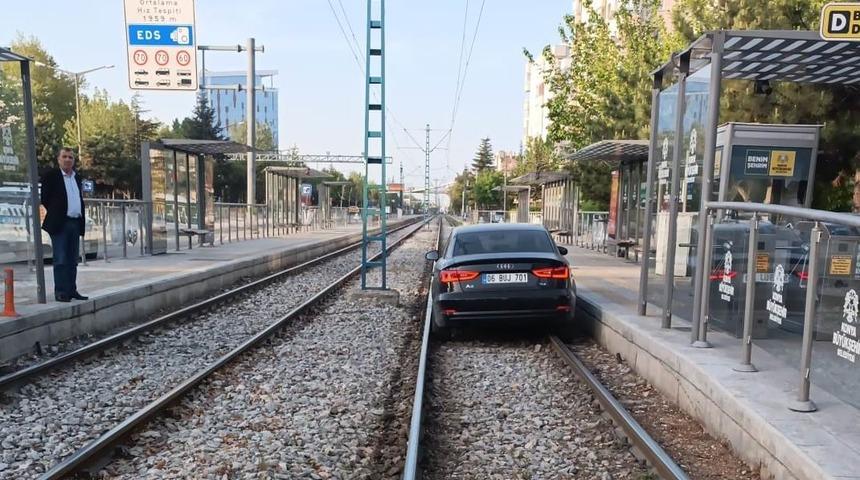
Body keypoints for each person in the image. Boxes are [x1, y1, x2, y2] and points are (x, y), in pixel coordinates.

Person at [40, 147, 88, 302]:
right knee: (60, 258)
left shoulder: (76, 177)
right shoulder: (51, 176)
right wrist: (57, 212)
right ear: (58, 159)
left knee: (72, 259)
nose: (68, 159)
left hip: (75, 222)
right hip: (60, 223)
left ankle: (71, 289)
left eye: (71, 157)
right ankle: (60, 291)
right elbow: (45, 198)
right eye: (65, 157)